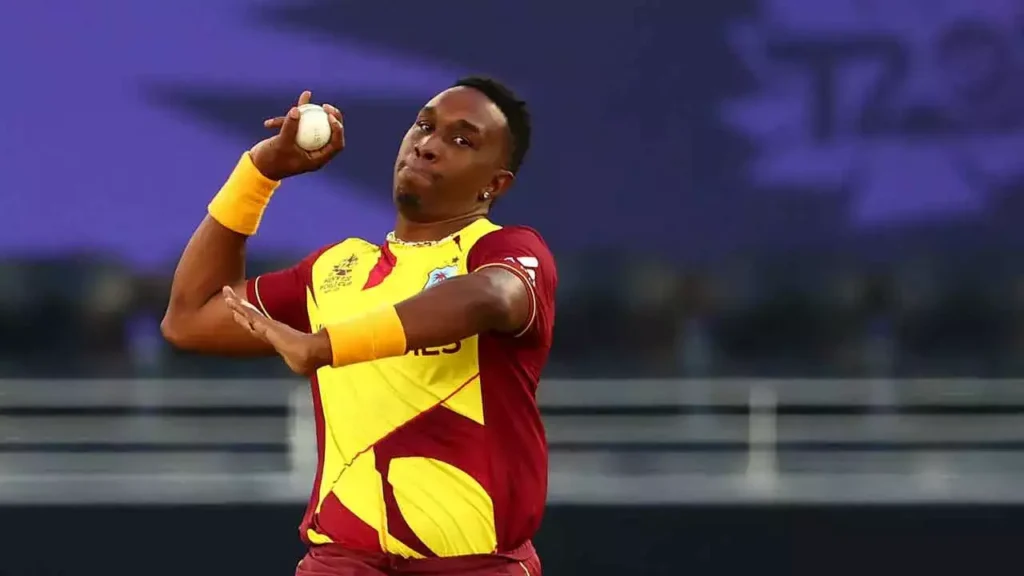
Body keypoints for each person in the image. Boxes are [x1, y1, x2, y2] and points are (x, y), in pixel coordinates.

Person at [161, 77, 555, 576]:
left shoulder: (503, 252)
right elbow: (190, 318)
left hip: (474, 566)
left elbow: (492, 297)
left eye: (461, 140)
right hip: (342, 563)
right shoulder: (333, 270)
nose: (428, 145)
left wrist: (325, 346)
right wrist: (260, 173)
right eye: (424, 125)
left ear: (494, 184)